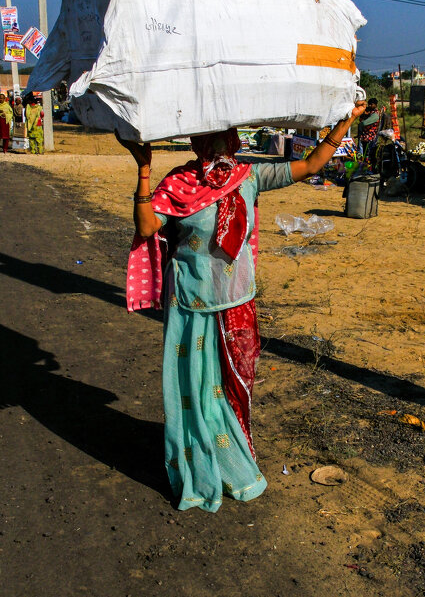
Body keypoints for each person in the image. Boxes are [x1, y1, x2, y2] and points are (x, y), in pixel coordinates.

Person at [118, 99, 366, 512]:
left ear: (233, 139)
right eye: (210, 137)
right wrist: (144, 170)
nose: (219, 144)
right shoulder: (178, 183)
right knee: (192, 393)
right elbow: (147, 225)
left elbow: (310, 167)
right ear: (199, 142)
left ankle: (233, 461)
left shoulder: (249, 176)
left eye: (224, 136)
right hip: (190, 304)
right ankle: (197, 471)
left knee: (230, 390)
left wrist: (344, 122)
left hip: (236, 303)